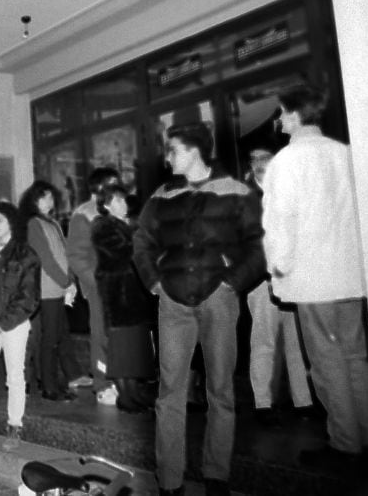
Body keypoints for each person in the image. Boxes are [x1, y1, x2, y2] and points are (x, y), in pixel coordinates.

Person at [133, 123, 265, 496]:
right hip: (173, 301)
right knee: (169, 392)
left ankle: (216, 477)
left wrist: (232, 282)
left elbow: (260, 246)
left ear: (195, 151)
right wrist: (154, 282)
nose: (167, 156)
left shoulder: (236, 192)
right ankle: (169, 482)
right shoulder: (161, 196)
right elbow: (141, 243)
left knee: (220, 390)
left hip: (218, 299)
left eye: (173, 149)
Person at [262, 86, 368, 470]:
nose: (278, 120)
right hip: (351, 277)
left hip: (314, 280)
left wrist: (278, 269)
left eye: (281, 112)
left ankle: (345, 444)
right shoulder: (344, 153)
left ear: (295, 115)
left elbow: (280, 224)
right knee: (356, 358)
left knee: (326, 363)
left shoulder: (287, 160)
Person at [243, 146, 313, 427]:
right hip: (262, 281)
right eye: (258, 160)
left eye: (266, 161)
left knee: (296, 342)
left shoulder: (285, 194)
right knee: (264, 341)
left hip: (289, 278)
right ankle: (263, 402)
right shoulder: (247, 200)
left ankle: (303, 400)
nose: (261, 165)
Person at [0, 201, 40, 449]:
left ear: (12, 222)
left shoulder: (26, 254)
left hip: (14, 324)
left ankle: (15, 426)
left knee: (14, 375)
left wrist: (2, 323)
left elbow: (29, 297)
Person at [92, 184, 156, 413]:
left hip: (133, 292)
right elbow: (121, 253)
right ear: (107, 205)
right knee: (122, 346)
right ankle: (125, 395)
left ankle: (135, 393)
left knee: (135, 345)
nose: (123, 204)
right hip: (118, 292)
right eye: (117, 200)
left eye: (123, 200)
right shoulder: (103, 226)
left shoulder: (127, 225)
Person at [21, 181, 82, 401]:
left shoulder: (53, 223)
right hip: (48, 289)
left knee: (59, 336)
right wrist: (66, 281)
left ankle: (56, 383)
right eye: (44, 197)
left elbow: (64, 253)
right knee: (50, 339)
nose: (50, 201)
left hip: (60, 288)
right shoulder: (34, 224)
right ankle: (49, 386)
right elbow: (45, 258)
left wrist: (71, 280)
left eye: (50, 197)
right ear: (34, 201)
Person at [64, 167, 120, 403]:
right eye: (112, 183)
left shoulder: (116, 209)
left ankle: (121, 379)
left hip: (121, 284)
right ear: (98, 187)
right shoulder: (84, 214)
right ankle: (102, 383)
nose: (118, 187)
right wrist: (95, 282)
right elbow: (76, 255)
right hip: (100, 285)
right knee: (102, 335)